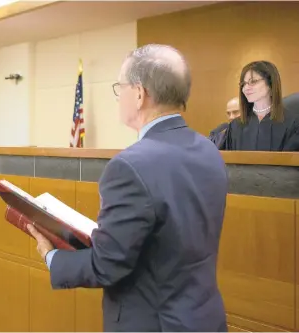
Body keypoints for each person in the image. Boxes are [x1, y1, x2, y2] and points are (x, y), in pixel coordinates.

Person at [28, 44, 228, 332]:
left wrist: (52, 256)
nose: (118, 96)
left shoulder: (130, 166)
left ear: (138, 94)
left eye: (119, 87)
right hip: (205, 319)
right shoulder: (209, 151)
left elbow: (108, 264)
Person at [222, 61, 299, 151]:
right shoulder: (235, 126)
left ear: (270, 84)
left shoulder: (293, 123)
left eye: (253, 81)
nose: (246, 88)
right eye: (243, 84)